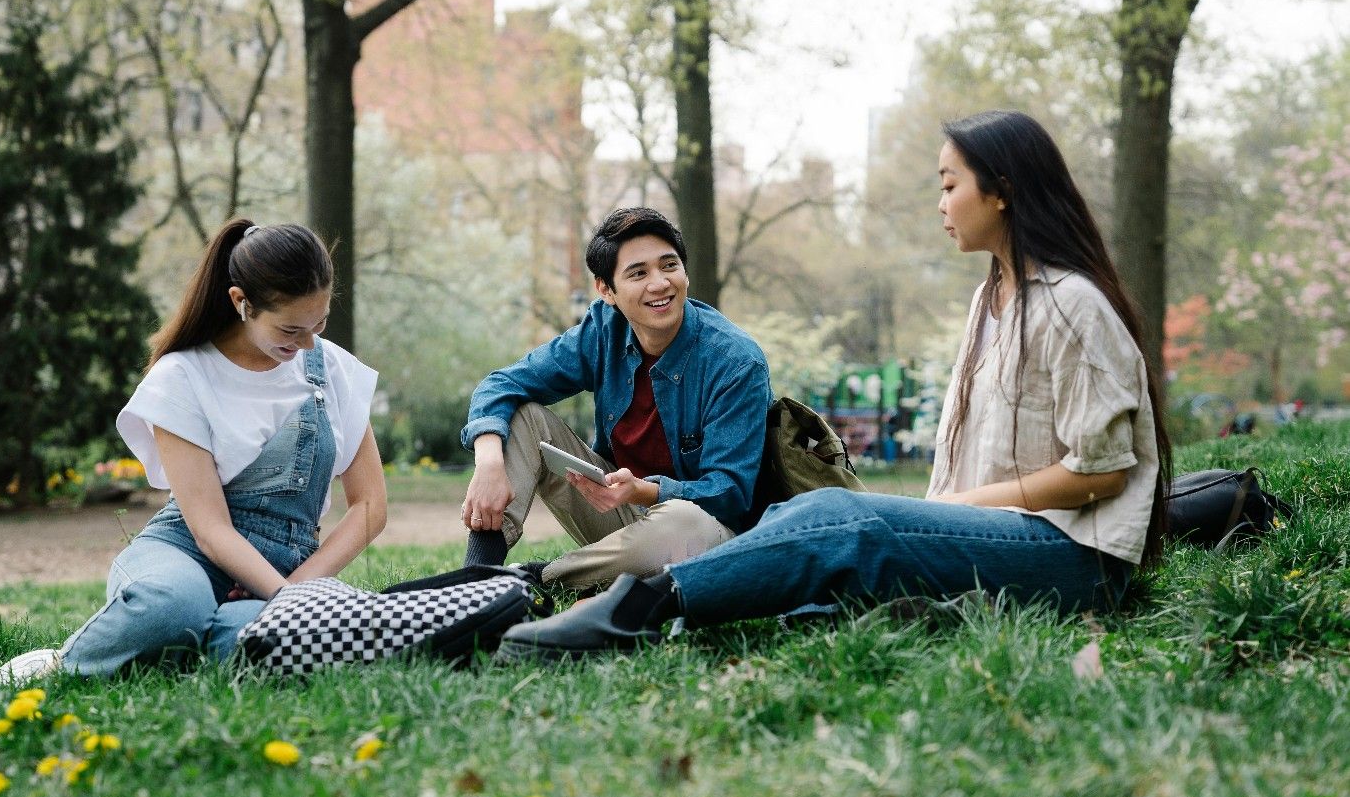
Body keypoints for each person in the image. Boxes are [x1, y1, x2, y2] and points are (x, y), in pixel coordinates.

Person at [498, 110, 1172, 660]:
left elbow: (1102, 474)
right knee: (798, 518)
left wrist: (965, 505)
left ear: (1001, 190)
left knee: (841, 519)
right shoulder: (991, 300)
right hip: (995, 531)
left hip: (1073, 558)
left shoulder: (1072, 304)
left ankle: (637, 609)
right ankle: (606, 595)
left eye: (948, 184)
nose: (940, 202)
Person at [0, 220, 386, 699]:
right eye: (290, 328)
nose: (309, 343)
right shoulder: (182, 376)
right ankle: (50, 671)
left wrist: (296, 593)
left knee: (281, 637)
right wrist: (286, 598)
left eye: (320, 323)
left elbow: (370, 506)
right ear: (240, 302)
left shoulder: (331, 369)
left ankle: (160, 652)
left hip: (288, 568)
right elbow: (211, 529)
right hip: (187, 554)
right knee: (174, 605)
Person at [459, 207, 772, 590]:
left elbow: (730, 495)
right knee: (522, 415)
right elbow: (501, 384)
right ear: (607, 290)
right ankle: (473, 581)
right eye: (638, 273)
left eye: (669, 265)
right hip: (619, 512)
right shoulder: (604, 330)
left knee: (681, 522)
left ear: (685, 272)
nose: (660, 284)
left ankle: (536, 579)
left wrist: (645, 489)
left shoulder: (736, 361)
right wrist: (488, 463)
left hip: (706, 534)